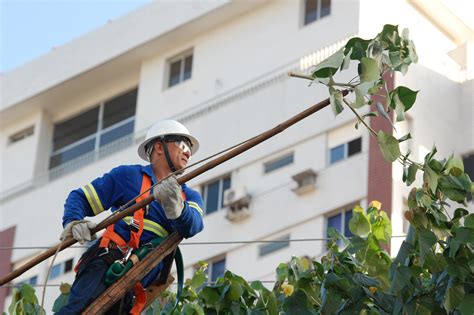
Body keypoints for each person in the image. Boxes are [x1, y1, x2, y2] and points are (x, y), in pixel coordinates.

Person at [56, 120, 204, 314]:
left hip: (140, 276)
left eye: (190, 150)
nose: (187, 153)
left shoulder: (189, 196)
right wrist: (73, 221)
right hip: (109, 260)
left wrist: (176, 207)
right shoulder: (129, 177)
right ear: (159, 147)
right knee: (78, 310)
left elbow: (193, 226)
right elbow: (81, 197)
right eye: (183, 145)